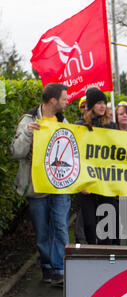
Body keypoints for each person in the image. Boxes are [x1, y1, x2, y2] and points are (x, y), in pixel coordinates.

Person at [11, 83, 70, 286]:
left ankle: (60, 268)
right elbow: (16, 152)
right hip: (37, 186)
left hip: (60, 184)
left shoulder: (64, 120)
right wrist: (28, 133)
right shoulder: (28, 120)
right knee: (43, 230)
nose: (67, 101)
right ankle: (48, 267)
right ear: (53, 101)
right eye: (64, 98)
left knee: (60, 226)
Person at [75, 87, 117, 245]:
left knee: (106, 224)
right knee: (90, 224)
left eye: (104, 103)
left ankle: (107, 256)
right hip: (87, 184)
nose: (102, 106)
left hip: (107, 182)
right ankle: (93, 255)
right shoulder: (79, 126)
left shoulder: (111, 126)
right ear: (91, 104)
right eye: (99, 102)